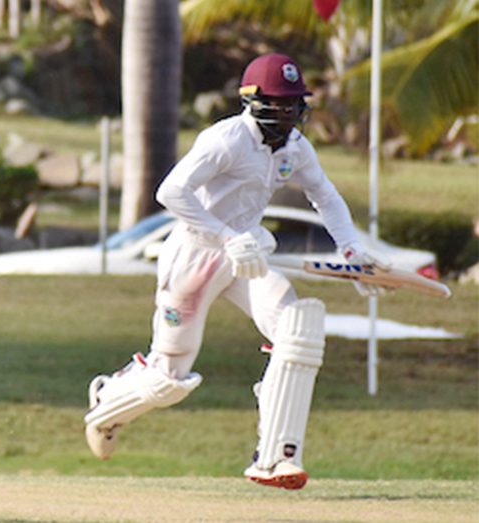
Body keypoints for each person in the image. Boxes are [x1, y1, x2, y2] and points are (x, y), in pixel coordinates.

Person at [83, 53, 389, 490]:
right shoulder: (226, 140)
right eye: (280, 104)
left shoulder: (296, 150)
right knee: (169, 378)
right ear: (254, 101)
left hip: (248, 258)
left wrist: (352, 249)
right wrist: (228, 236)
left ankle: (275, 457)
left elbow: (326, 196)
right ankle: (107, 403)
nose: (289, 113)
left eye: (295, 103)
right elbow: (171, 192)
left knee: (296, 329)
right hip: (195, 256)